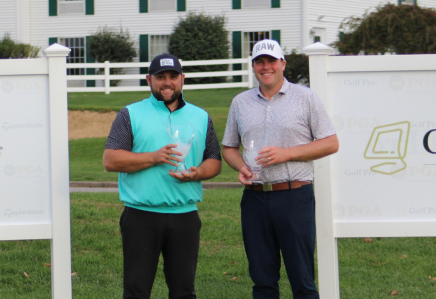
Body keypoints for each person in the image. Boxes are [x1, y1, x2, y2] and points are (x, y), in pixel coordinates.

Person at [222, 39, 339, 299]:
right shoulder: (240, 103)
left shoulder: (305, 97)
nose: (266, 67)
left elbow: (331, 143)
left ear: (282, 63)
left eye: (271, 61)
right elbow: (228, 147)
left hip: (294, 196)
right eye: (260, 62)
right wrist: (240, 166)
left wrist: (286, 154)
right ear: (253, 66)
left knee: (303, 281)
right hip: (254, 198)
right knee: (262, 282)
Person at [103, 53, 222, 299]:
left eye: (173, 77)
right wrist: (154, 157)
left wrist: (198, 173)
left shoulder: (201, 117)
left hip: (185, 217)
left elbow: (215, 161)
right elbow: (111, 160)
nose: (167, 83)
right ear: (149, 80)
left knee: (184, 291)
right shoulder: (130, 114)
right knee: (136, 291)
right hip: (141, 216)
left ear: (182, 79)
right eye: (160, 77)